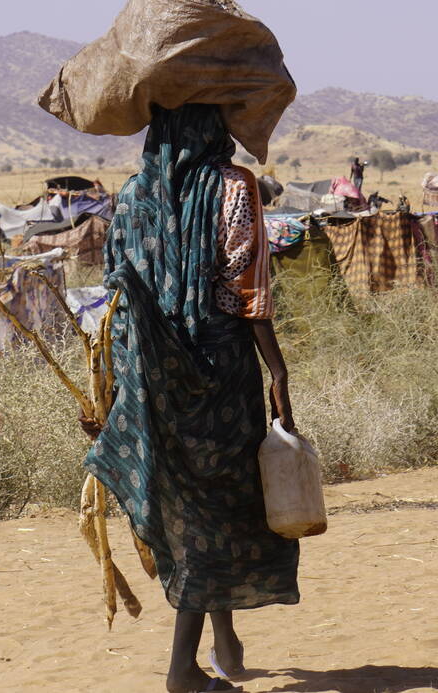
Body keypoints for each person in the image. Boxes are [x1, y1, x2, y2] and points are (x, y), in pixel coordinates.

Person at [81, 104, 298, 693]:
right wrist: (276, 370)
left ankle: (224, 639)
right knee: (216, 510)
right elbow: (244, 289)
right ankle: (182, 670)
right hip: (218, 373)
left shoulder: (132, 196)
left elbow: (118, 295)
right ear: (210, 128)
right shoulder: (234, 187)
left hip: (151, 374)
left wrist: (121, 386)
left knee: (191, 506)